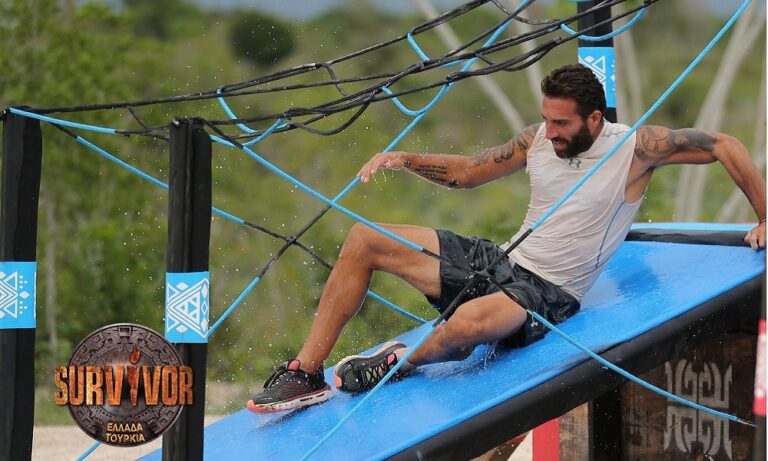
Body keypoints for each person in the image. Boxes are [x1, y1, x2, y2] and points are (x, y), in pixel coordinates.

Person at [246, 63, 766, 413]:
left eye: (561, 123)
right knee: (364, 238)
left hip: (548, 292)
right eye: (546, 119)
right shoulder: (537, 140)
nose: (550, 131)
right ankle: (305, 374)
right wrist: (403, 158)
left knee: (468, 324)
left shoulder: (635, 149)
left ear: (594, 118)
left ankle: (403, 361)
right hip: (501, 260)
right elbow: (469, 172)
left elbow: (726, 145)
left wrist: (765, 217)